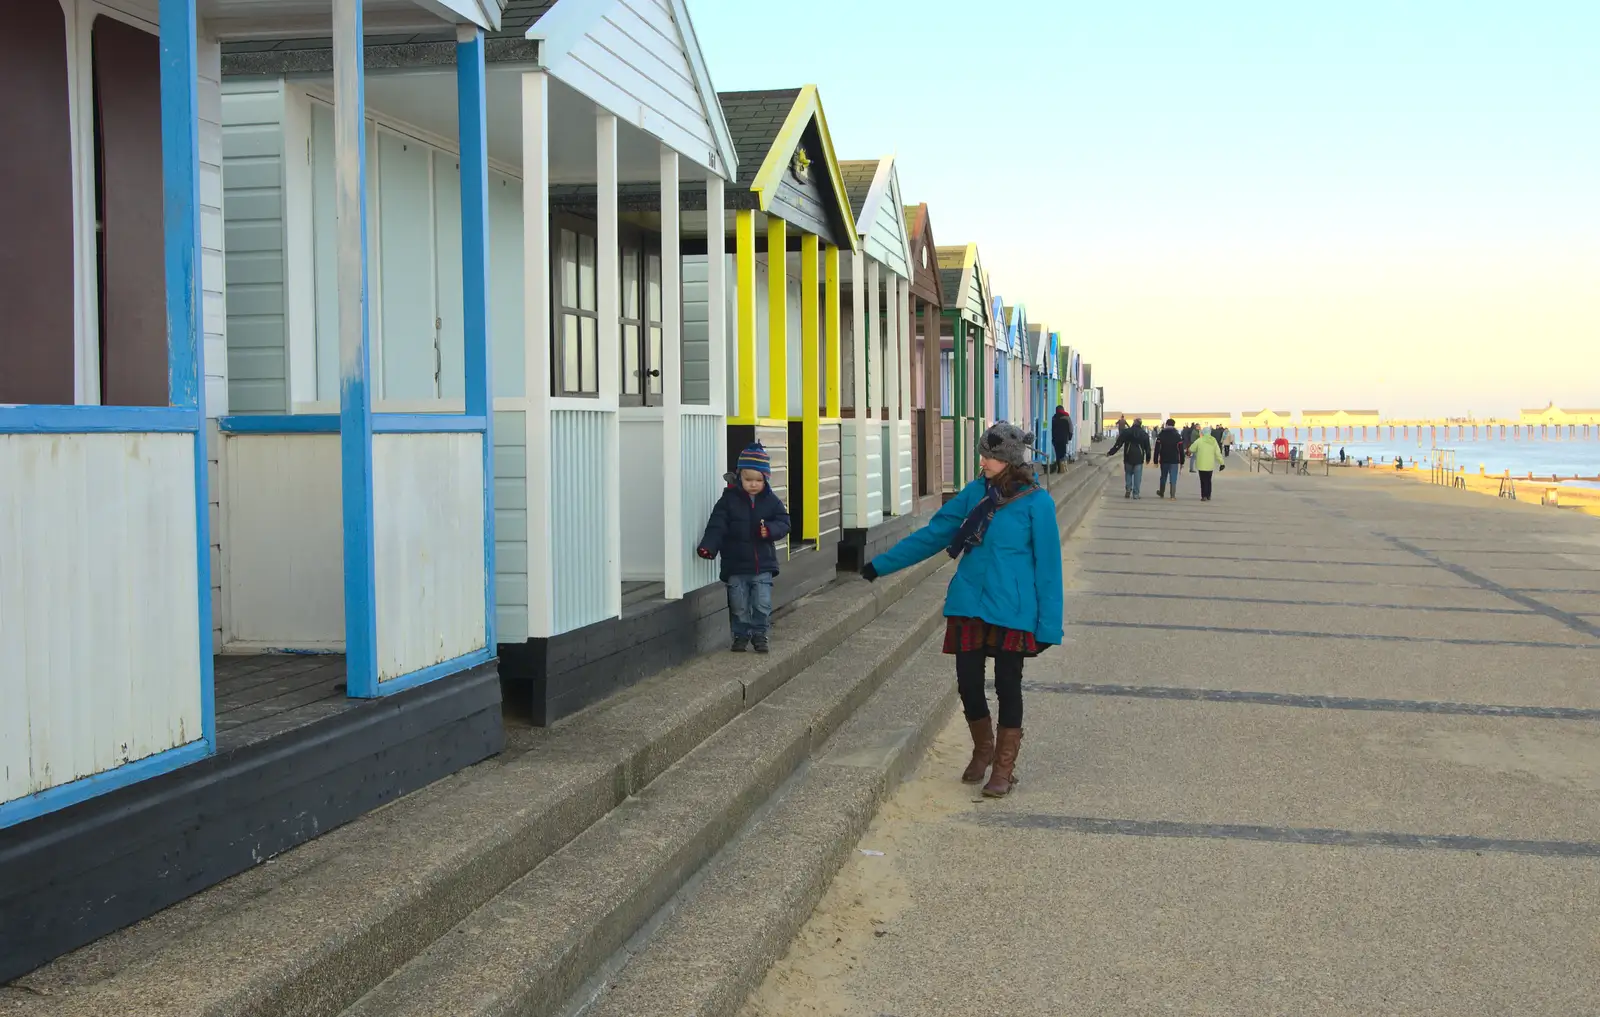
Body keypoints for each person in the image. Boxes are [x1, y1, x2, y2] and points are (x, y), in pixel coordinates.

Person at [860, 423, 1063, 797]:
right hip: (970, 602)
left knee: (1007, 685)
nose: (982, 460)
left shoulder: (1038, 503)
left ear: (1009, 460)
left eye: (989, 455)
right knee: (968, 683)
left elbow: (1049, 568)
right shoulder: (975, 494)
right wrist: (881, 565)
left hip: (1013, 609)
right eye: (983, 454)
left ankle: (1003, 767)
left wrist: (1048, 626)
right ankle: (983, 749)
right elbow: (935, 534)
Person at [696, 443, 791, 654]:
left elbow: (785, 522)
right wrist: (708, 547)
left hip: (762, 564)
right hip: (736, 564)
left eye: (758, 480)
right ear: (739, 477)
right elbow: (717, 525)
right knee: (738, 603)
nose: (754, 484)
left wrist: (771, 530)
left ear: (765, 479)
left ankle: (760, 634)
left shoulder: (771, 501)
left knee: (762, 602)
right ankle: (740, 635)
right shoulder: (728, 500)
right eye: (748, 480)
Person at [1106, 417, 1152, 498]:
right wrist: (1148, 458)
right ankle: (1136, 494)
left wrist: (1111, 452)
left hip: (1128, 455)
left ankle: (1128, 488)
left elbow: (1118, 444)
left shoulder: (1126, 432)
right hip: (1139, 457)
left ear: (1134, 423)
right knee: (1138, 476)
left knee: (1128, 473)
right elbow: (1147, 448)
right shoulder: (1144, 434)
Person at [1188, 427, 1225, 500]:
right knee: (1208, 480)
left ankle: (1204, 496)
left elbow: (1191, 449)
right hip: (1210, 464)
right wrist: (1222, 463)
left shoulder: (1199, 440)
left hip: (1201, 464)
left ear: (1203, 432)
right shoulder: (1213, 441)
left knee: (1203, 480)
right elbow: (1218, 453)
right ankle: (1208, 495)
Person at [1153, 418, 1185, 499]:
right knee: (1173, 477)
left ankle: (1161, 492)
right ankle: (1172, 495)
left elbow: (1157, 448)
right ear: (1174, 425)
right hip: (1174, 460)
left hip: (1164, 459)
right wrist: (1182, 461)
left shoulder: (1161, 435)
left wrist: (1155, 460)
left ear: (1166, 424)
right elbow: (1181, 450)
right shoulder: (1177, 436)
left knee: (1163, 476)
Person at [1050, 405, 1073, 473]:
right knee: (1062, 453)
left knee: (1057, 453)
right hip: (1063, 439)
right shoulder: (1067, 417)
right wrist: (1070, 437)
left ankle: (1059, 468)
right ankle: (1063, 468)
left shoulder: (1054, 418)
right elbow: (1071, 428)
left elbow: (1051, 429)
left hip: (1055, 439)